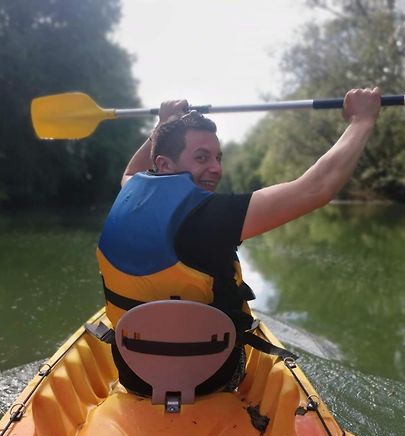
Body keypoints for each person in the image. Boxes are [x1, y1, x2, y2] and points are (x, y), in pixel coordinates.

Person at [97, 88, 381, 397]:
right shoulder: (212, 216)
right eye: (202, 157)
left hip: (134, 376)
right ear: (164, 165)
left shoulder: (128, 190)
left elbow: (132, 169)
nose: (216, 168)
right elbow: (316, 189)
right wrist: (361, 120)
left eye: (217, 157)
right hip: (210, 378)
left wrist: (161, 127)